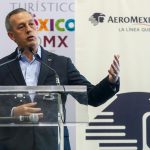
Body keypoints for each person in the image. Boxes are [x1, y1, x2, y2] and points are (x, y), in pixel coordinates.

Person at [0, 8, 120, 150]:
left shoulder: (61, 64)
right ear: (11, 36)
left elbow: (91, 97)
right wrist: (12, 112)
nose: (28, 29)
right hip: (13, 145)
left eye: (31, 24)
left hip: (54, 144)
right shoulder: (3, 67)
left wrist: (111, 82)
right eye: (21, 26)